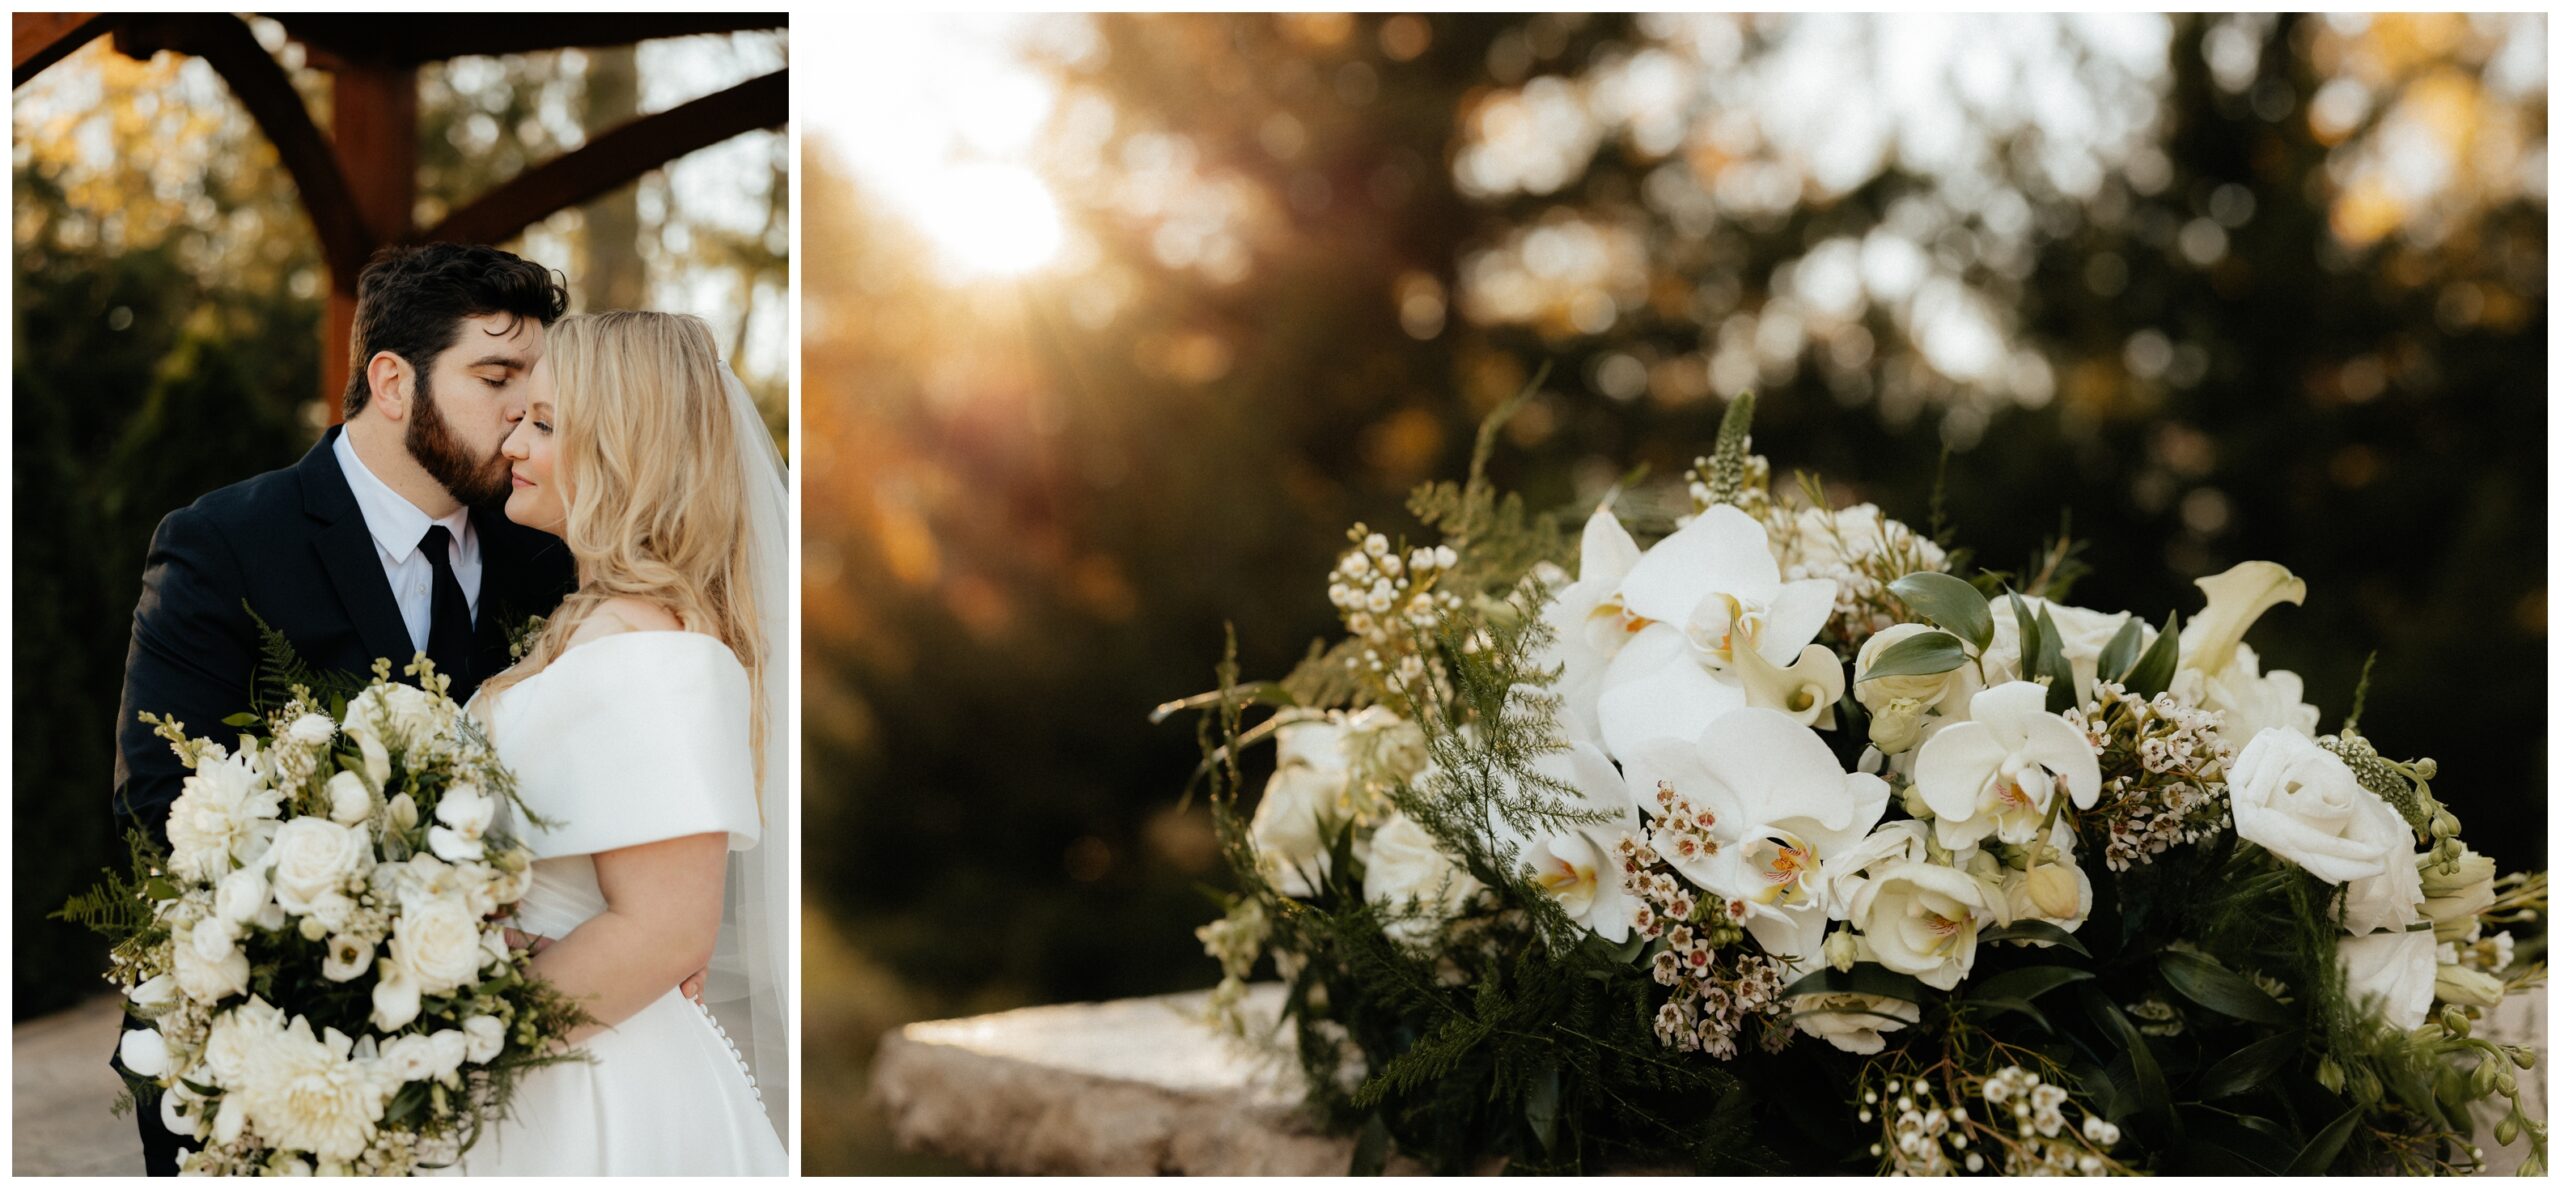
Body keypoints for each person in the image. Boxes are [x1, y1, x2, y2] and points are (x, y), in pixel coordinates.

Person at [111, 243, 580, 1177]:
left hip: (511, 1076)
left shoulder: (551, 551)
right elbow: (162, 806)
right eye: (497, 377)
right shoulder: (224, 542)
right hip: (270, 1053)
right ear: (393, 381)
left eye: (540, 384)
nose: (526, 411)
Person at [453, 310, 789, 1174]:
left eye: (545, 424)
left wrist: (449, 1045)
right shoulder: (598, 626)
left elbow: (666, 929)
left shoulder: (646, 645)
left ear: (621, 450)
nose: (513, 446)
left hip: (585, 1075)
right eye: (519, 417)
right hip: (559, 1047)